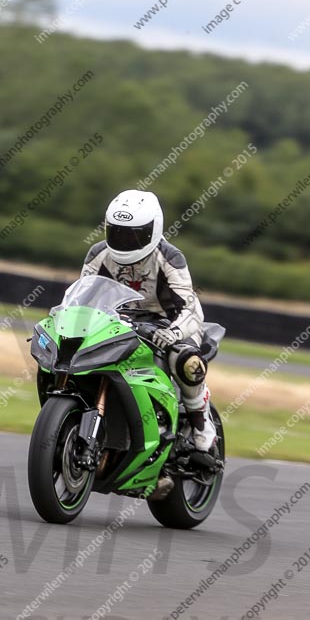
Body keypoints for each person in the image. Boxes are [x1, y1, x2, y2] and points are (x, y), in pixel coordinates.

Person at [81, 189, 216, 451]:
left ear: (153, 230)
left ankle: (201, 421)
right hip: (118, 319)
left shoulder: (170, 257)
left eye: (134, 234)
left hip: (170, 321)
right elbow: (83, 297)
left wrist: (173, 334)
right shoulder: (98, 253)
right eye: (117, 232)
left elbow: (188, 307)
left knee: (186, 361)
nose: (124, 240)